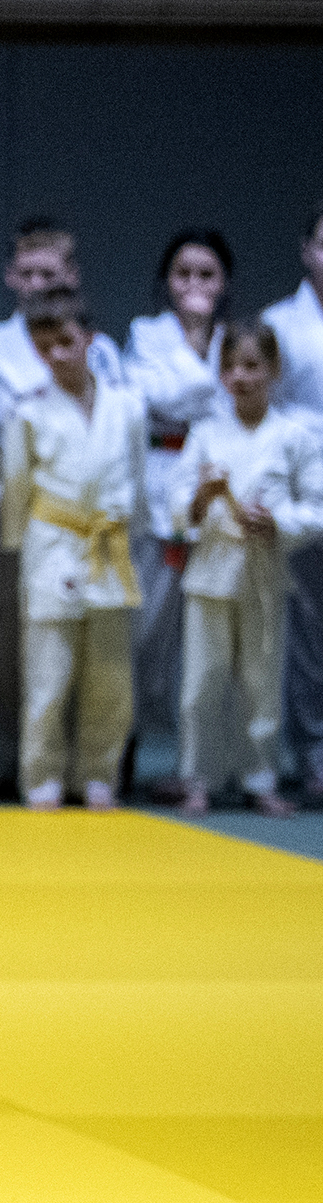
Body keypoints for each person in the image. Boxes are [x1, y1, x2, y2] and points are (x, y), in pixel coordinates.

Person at [0, 220, 125, 800]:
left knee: (97, 647)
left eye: (48, 274)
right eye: (25, 274)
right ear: (9, 276)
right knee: (7, 648)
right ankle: (6, 760)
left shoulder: (101, 351)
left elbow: (117, 434)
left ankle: (92, 765)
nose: (35, 284)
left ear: (72, 275)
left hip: (94, 523)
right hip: (18, 516)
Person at [2, 287, 147, 811]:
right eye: (45, 347)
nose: (57, 354)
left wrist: (140, 531)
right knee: (48, 673)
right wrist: (20, 548)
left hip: (109, 542)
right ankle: (41, 774)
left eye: (66, 341)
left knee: (109, 676)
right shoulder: (28, 412)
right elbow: (16, 488)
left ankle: (98, 773)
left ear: (90, 339)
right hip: (52, 543)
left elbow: (138, 475)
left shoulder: (128, 407)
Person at [172, 320, 322, 815]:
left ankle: (260, 778)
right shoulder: (204, 434)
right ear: (220, 374)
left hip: (264, 572)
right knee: (201, 684)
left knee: (261, 684)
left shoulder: (295, 435)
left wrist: (277, 520)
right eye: (231, 366)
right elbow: (174, 506)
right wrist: (199, 497)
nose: (241, 376)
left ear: (275, 370)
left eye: (252, 365)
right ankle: (199, 778)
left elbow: (316, 509)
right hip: (211, 571)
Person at [127, 230, 231, 781]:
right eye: (183, 274)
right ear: (167, 282)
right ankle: (124, 748)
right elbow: (155, 400)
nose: (194, 286)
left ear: (224, 283)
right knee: (145, 630)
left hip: (219, 488)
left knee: (206, 639)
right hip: (161, 485)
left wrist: (200, 377)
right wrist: (195, 353)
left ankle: (198, 768)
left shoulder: (236, 341)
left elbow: (231, 403)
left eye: (206, 275)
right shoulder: (147, 335)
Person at [272, 207, 323, 797]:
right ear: (307, 250)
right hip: (306, 489)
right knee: (310, 628)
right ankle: (313, 751)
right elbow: (267, 413)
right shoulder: (281, 325)